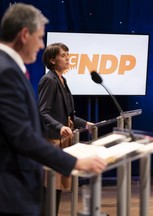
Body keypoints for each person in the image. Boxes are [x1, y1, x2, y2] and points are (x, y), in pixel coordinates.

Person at [0, 3, 107, 215]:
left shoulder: (10, 69)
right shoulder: (6, 72)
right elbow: (23, 136)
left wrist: (82, 123)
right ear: (24, 35)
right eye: (39, 38)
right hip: (11, 190)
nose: (41, 46)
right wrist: (76, 162)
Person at [38, 42, 95, 215]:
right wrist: (59, 126)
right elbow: (42, 112)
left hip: (63, 140)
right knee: (49, 187)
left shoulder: (62, 80)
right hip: (51, 140)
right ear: (52, 60)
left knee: (56, 187)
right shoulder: (48, 80)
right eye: (63, 55)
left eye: (67, 54)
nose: (68, 58)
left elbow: (68, 116)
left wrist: (85, 123)